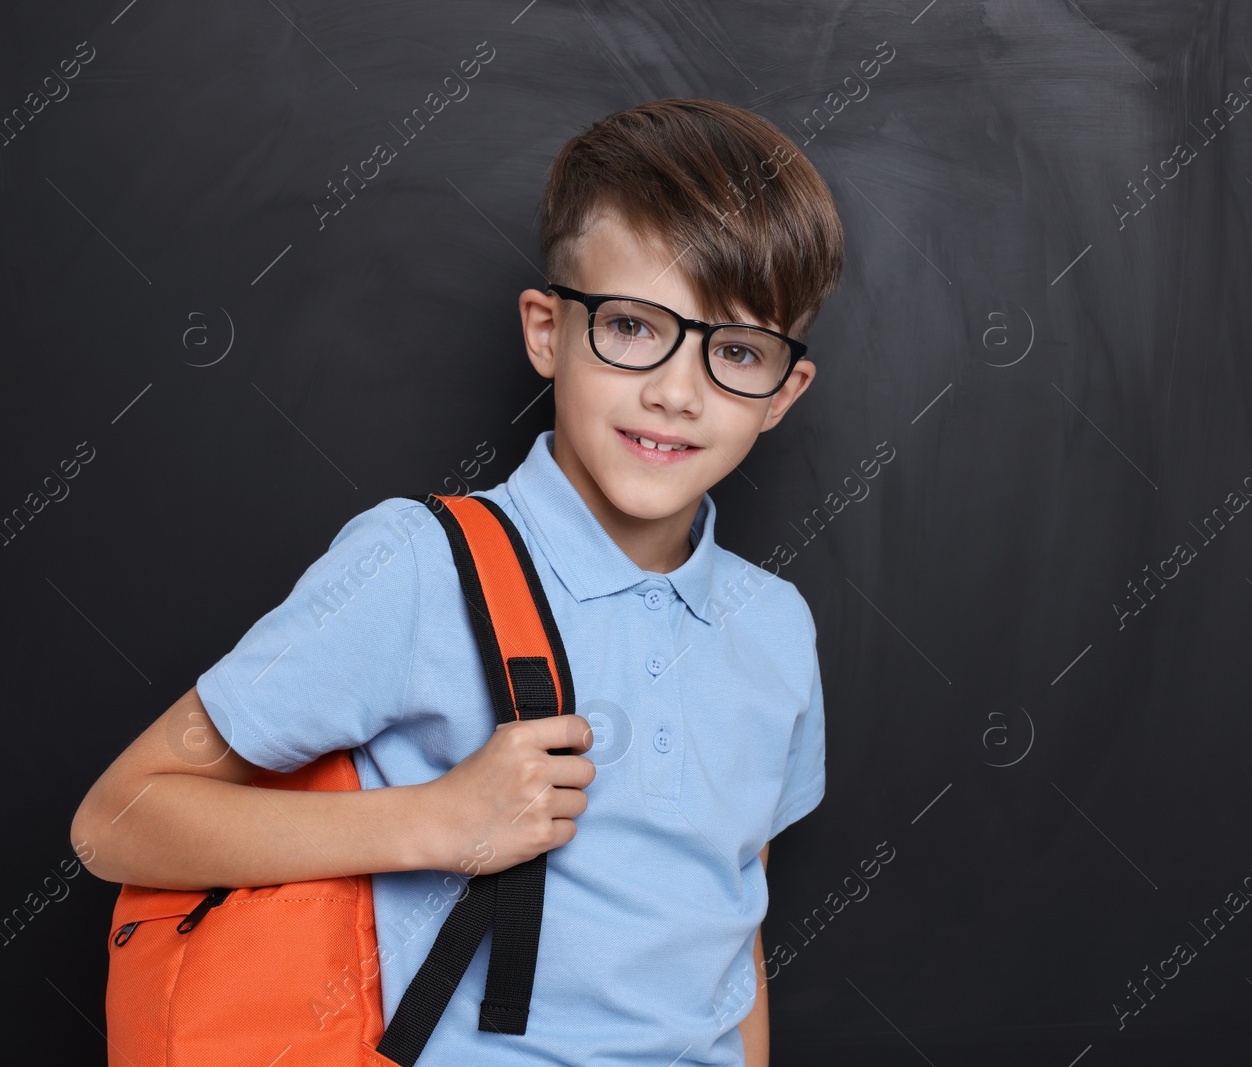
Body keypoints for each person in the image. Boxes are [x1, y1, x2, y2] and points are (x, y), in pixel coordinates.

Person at [72, 96, 844, 1066]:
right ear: (545, 330)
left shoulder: (773, 627)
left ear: (783, 390)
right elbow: (118, 821)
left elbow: (738, 925)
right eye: (635, 328)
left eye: (735, 351)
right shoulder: (415, 564)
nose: (677, 392)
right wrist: (436, 819)